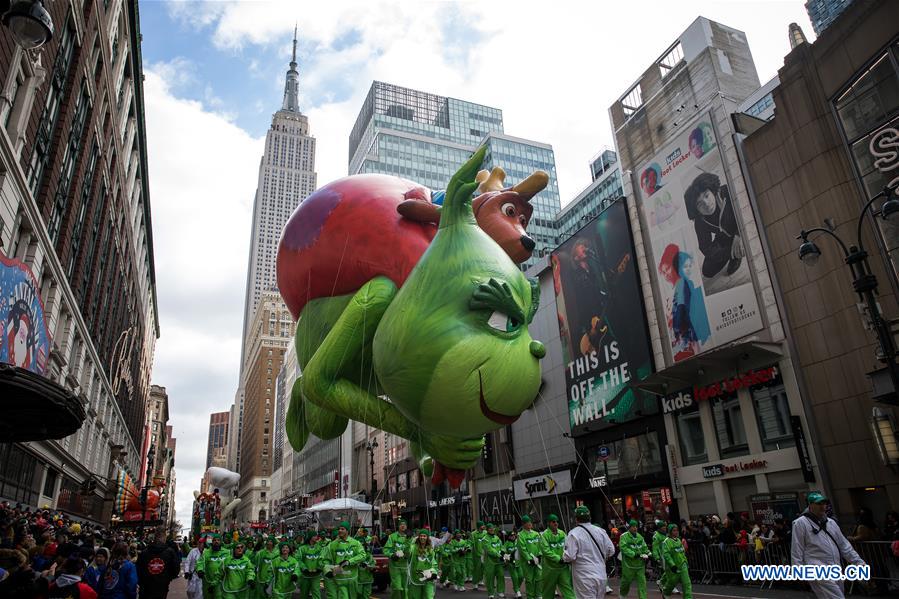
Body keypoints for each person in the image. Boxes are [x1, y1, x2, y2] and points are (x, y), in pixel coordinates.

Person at [791, 492, 866, 599]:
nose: (823, 506)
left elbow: (844, 545)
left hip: (835, 567)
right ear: (810, 505)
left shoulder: (831, 523)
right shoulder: (800, 523)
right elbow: (797, 548)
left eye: (824, 503)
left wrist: (858, 561)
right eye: (819, 504)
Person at [683, 172, 742, 279]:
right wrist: (729, 252)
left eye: (706, 195)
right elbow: (706, 247)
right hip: (723, 239)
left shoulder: (727, 192)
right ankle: (735, 254)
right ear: (696, 210)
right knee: (707, 271)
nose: (706, 203)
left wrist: (739, 234)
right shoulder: (700, 221)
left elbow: (744, 210)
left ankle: (738, 250)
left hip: (740, 227)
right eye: (700, 204)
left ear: (712, 191)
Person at [561, 506, 614, 599]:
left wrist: (563, 556)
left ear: (576, 519)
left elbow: (569, 556)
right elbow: (611, 550)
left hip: (584, 577)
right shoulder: (600, 531)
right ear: (589, 517)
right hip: (601, 575)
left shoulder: (574, 533)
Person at [325, 521, 365, 599]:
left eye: (342, 529)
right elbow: (326, 560)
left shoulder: (355, 543)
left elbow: (362, 555)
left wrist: (349, 562)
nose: (340, 530)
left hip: (352, 578)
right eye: (339, 529)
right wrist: (327, 571)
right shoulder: (332, 544)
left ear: (347, 531)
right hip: (340, 578)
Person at [137, 529, 181, 599]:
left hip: (146, 588)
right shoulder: (170, 552)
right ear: (163, 537)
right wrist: (167, 578)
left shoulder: (144, 552)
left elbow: (138, 569)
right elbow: (176, 569)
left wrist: (142, 581)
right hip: (162, 587)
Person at [540, 515, 574, 599]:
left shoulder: (562, 533)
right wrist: (559, 559)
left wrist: (567, 557)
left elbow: (568, 546)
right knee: (548, 593)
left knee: (568, 590)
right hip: (550, 569)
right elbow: (546, 551)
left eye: (557, 521)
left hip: (563, 568)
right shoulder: (544, 535)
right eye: (553, 521)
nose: (556, 523)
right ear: (548, 523)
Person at [618, 520, 649, 599]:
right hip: (628, 565)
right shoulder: (623, 536)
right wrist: (634, 554)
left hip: (640, 565)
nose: (635, 528)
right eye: (633, 526)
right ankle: (622, 594)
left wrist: (648, 554)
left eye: (636, 526)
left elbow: (644, 547)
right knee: (626, 582)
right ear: (629, 527)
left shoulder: (640, 537)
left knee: (642, 584)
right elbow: (623, 548)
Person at [660, 525, 691, 599]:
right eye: (674, 530)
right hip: (673, 567)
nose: (676, 532)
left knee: (687, 583)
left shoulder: (679, 540)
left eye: (677, 530)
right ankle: (666, 592)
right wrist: (672, 565)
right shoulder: (666, 542)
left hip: (682, 565)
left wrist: (686, 563)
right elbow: (666, 554)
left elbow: (682, 553)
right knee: (672, 582)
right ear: (670, 531)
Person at [197, 533, 230, 599]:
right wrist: (200, 570)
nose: (216, 542)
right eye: (214, 540)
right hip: (208, 582)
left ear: (221, 542)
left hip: (221, 582)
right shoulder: (206, 552)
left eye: (218, 540)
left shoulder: (227, 552)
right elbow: (200, 562)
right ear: (212, 542)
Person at [384, 519, 411, 599]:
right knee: (397, 587)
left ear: (406, 526)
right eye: (401, 524)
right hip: (395, 567)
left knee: (405, 589)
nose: (403, 526)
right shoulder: (392, 536)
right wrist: (392, 555)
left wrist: (409, 539)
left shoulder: (409, 537)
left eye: (404, 524)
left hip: (405, 566)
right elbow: (386, 549)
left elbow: (411, 551)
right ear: (398, 526)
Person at [408, 529, 439, 599]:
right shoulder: (413, 548)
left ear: (427, 537)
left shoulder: (430, 550)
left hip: (428, 578)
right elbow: (407, 552)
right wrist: (408, 540)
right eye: (421, 536)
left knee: (429, 596)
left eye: (424, 536)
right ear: (418, 537)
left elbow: (433, 563)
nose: (422, 537)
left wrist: (434, 572)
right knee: (416, 597)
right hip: (415, 577)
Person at [516, 516, 541, 599]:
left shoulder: (536, 534)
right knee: (529, 580)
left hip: (537, 560)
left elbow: (541, 545)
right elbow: (522, 549)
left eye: (530, 522)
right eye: (527, 522)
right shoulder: (521, 535)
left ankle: (539, 595)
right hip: (527, 562)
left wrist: (540, 555)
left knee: (539, 578)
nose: (530, 524)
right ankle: (530, 597)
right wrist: (529, 559)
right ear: (523, 524)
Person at [297, 531, 324, 599]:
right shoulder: (302, 548)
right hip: (305, 575)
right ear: (310, 537)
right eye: (314, 536)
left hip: (316, 575)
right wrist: (304, 568)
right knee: (304, 594)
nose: (316, 537)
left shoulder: (319, 548)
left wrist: (319, 568)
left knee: (316, 593)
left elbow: (322, 558)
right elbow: (298, 559)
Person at [481, 523, 504, 599]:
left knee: (501, 576)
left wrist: (503, 553)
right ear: (487, 530)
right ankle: (491, 593)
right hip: (489, 562)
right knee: (490, 578)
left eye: (492, 528)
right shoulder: (485, 539)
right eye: (490, 528)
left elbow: (501, 546)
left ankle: (500, 591)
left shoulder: (497, 538)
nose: (492, 529)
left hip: (499, 562)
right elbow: (489, 550)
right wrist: (498, 555)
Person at [356, 527, 376, 599]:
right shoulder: (353, 555)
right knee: (358, 595)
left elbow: (373, 565)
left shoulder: (369, 555)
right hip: (358, 580)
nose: (363, 546)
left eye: (363, 544)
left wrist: (372, 568)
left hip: (368, 580)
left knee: (366, 596)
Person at [504, 530, 523, 599]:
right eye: (511, 535)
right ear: (509, 536)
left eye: (514, 535)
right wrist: (508, 558)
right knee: (515, 577)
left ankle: (516, 588)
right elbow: (504, 553)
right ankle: (517, 591)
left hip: (519, 563)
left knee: (521, 577)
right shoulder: (506, 543)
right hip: (511, 564)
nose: (513, 536)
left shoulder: (518, 542)